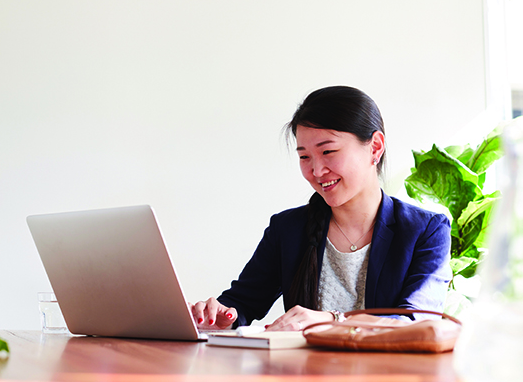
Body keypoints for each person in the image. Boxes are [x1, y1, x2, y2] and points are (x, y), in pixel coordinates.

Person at [191, 86, 451, 331]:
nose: (316, 171)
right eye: (304, 156)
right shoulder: (287, 229)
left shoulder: (425, 231)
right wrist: (217, 316)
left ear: (375, 147)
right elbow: (242, 304)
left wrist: (332, 320)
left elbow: (417, 321)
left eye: (328, 151)